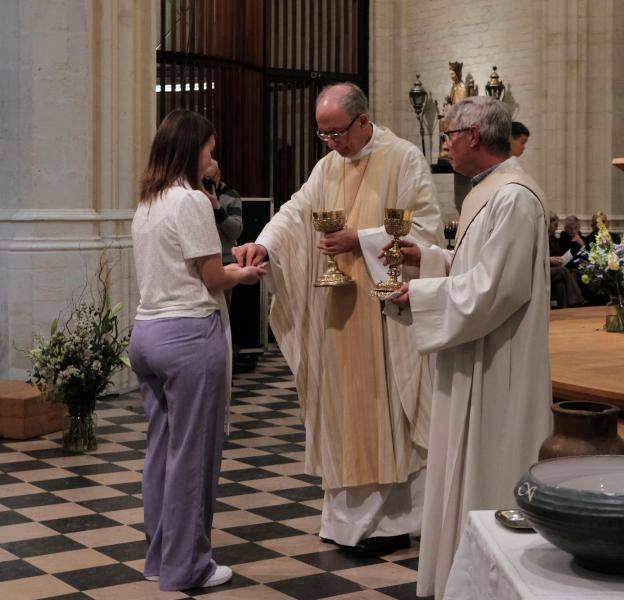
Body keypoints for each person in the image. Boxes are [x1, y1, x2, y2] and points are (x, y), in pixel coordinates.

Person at [232, 83, 442, 557]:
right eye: (323, 134)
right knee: (341, 415)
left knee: (385, 417)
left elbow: (424, 231)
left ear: (363, 121)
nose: (331, 143)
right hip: (340, 315)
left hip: (384, 316)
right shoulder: (327, 166)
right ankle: (344, 520)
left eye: (337, 133)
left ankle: (389, 523)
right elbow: (294, 212)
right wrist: (263, 243)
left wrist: (360, 240)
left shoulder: (404, 159)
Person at [387, 96, 552, 599]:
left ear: (473, 136)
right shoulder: (488, 191)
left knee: (487, 463)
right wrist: (431, 258)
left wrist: (421, 294)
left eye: (448, 136)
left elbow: (496, 288)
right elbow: (476, 266)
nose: (445, 146)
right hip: (474, 351)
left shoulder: (514, 197)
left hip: (498, 362)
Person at [129, 110, 267, 591]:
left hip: (146, 334)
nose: (214, 161)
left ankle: (161, 558)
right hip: (188, 335)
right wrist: (244, 274)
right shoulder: (189, 201)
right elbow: (212, 278)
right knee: (193, 455)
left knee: (161, 452)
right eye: (209, 152)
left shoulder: (148, 202)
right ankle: (189, 567)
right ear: (192, 152)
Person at [202, 159, 243, 307]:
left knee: (222, 312)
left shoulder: (230, 195)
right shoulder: (192, 196)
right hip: (200, 262)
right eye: (202, 179)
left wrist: (217, 207)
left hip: (225, 262)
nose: (206, 184)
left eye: (209, 179)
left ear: (218, 175)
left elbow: (236, 231)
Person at [547, 211, 585, 308]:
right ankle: (579, 300)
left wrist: (582, 245)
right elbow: (537, 257)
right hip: (544, 269)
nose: (556, 228)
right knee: (564, 271)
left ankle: (564, 310)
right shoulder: (543, 239)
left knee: (560, 285)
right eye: (555, 225)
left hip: (555, 268)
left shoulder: (553, 239)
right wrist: (549, 259)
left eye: (576, 228)